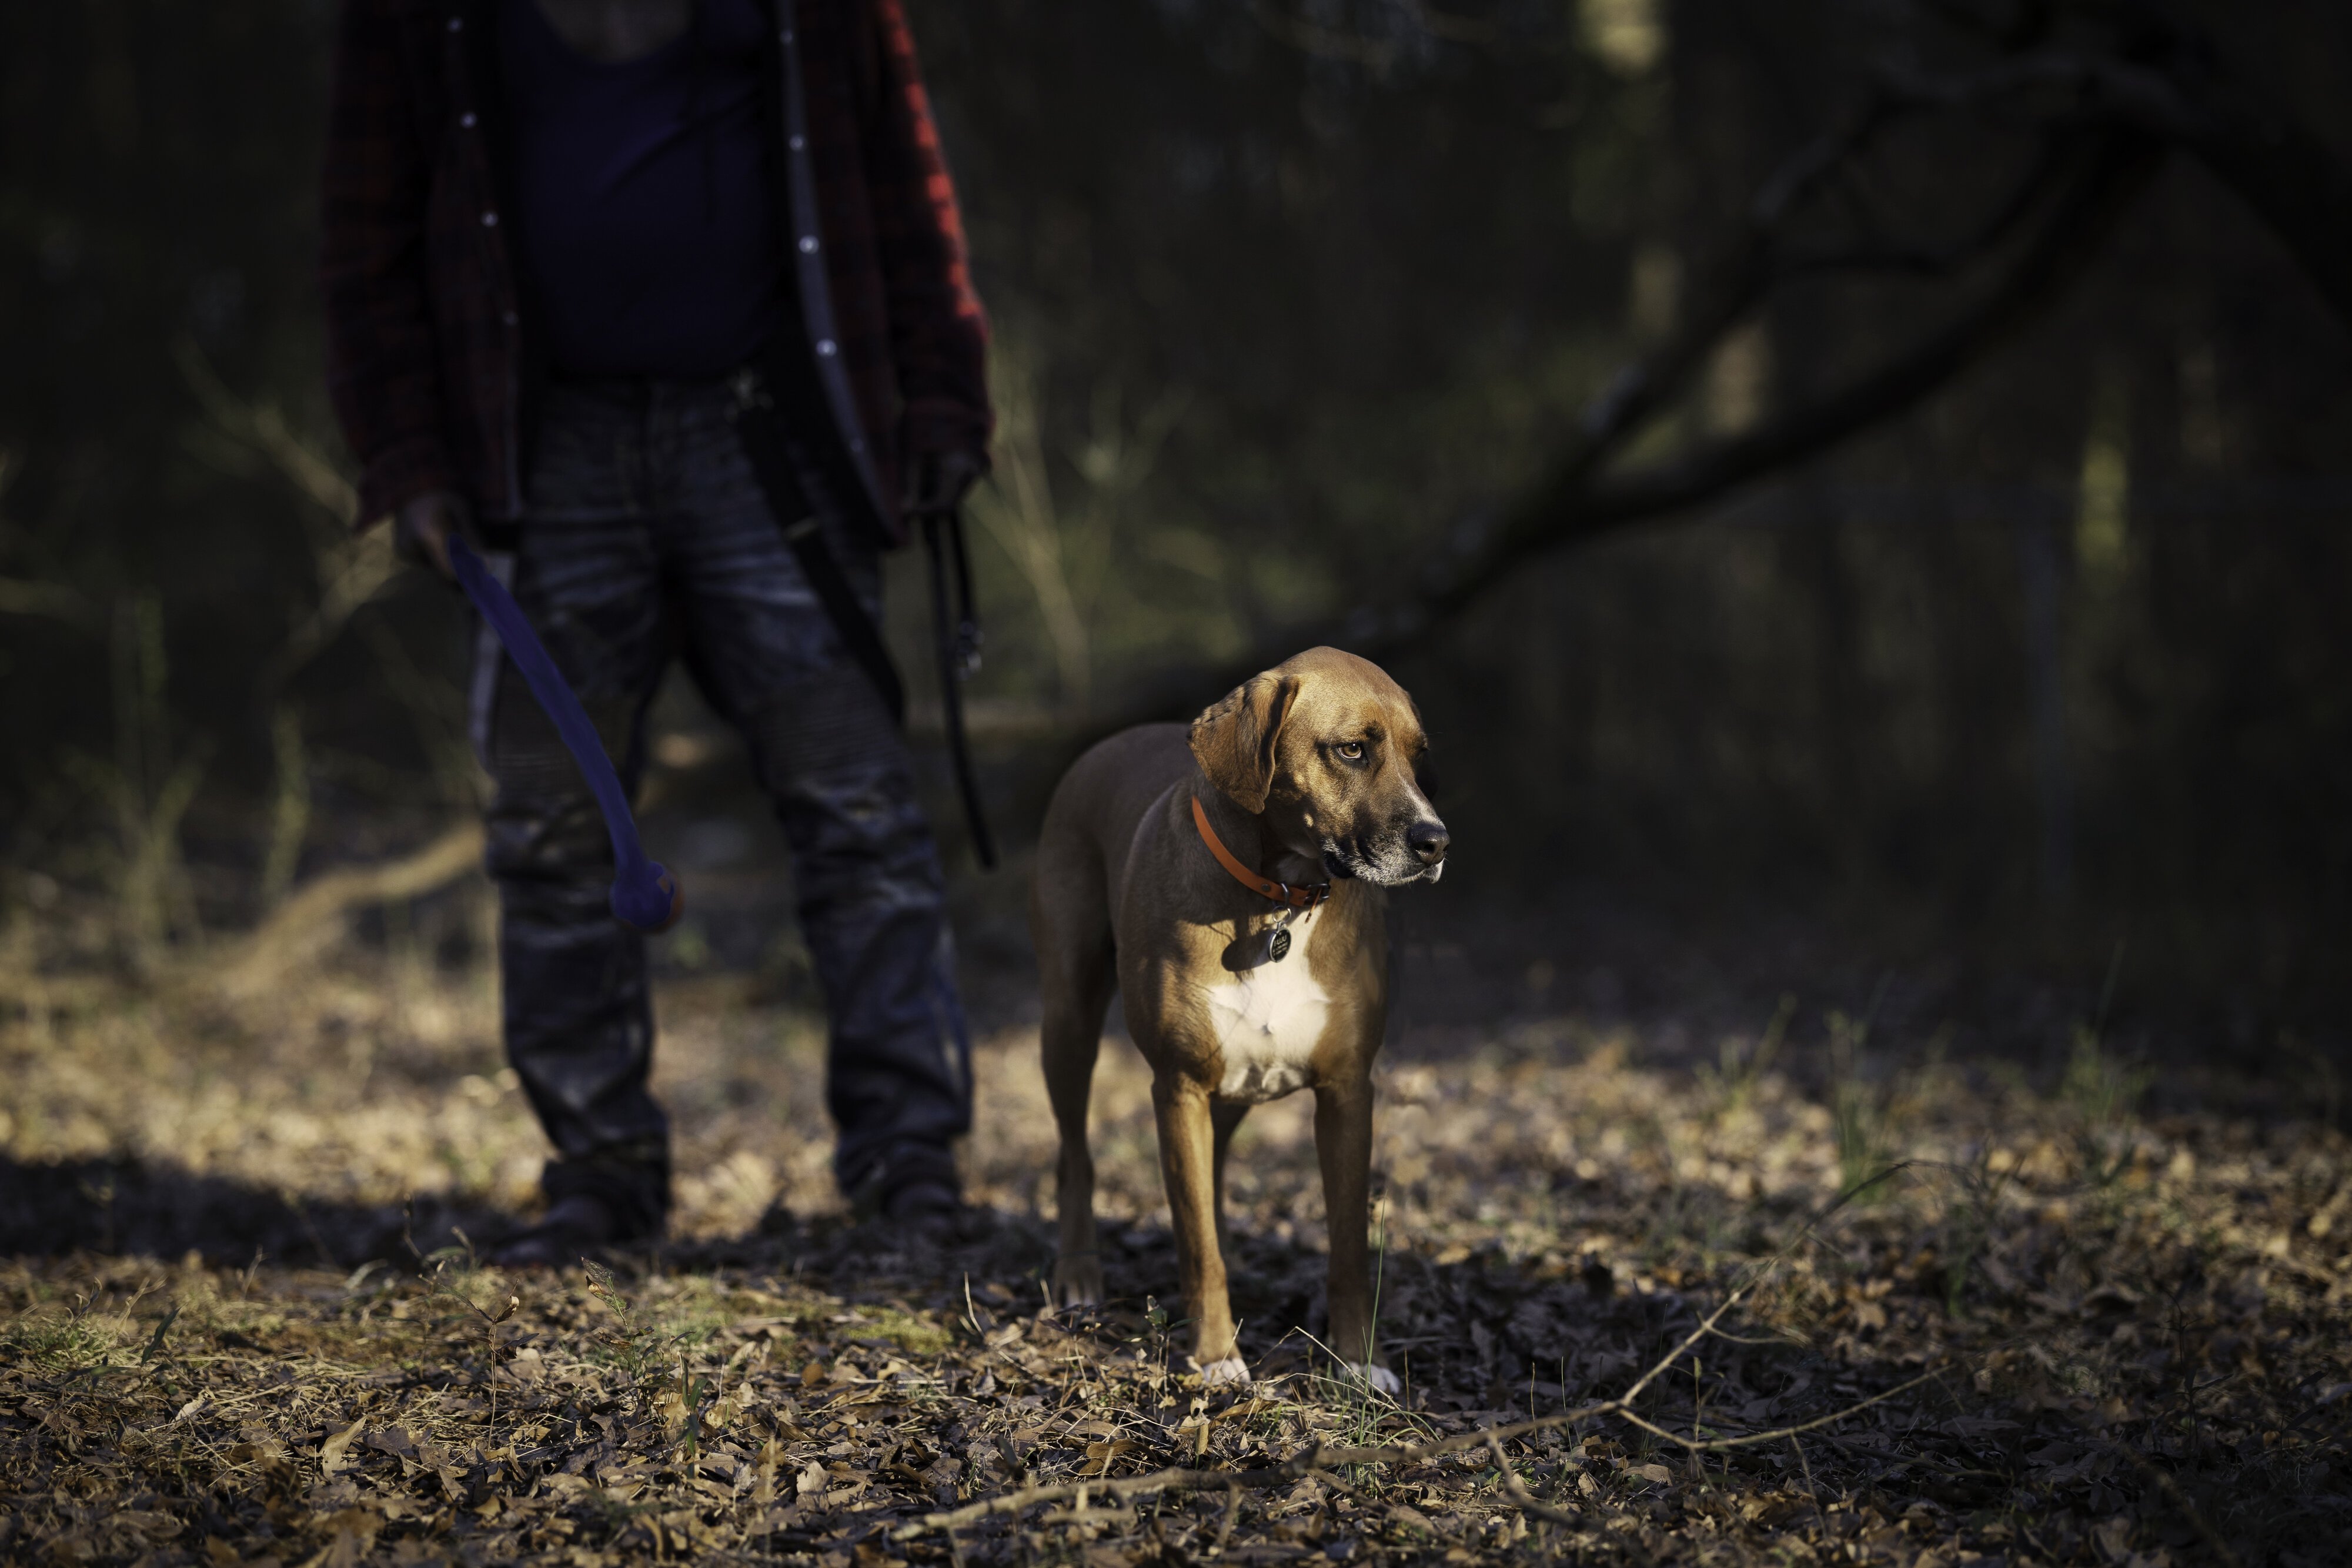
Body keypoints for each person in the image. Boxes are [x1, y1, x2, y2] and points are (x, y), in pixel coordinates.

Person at [320, 0, 992, 1259]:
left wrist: (945, 392)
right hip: (540, 444)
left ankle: (911, 1163)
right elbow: (365, 242)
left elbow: (906, 185)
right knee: (550, 825)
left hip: (769, 431)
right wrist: (403, 456)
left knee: (858, 806)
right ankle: (601, 1173)